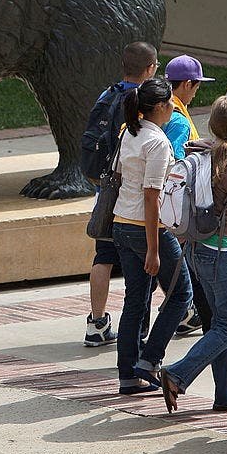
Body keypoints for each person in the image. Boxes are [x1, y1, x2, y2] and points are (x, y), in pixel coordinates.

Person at [159, 96, 227, 413]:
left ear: (211, 123)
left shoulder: (198, 153)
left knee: (219, 325)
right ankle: (178, 374)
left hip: (194, 248)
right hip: (221, 253)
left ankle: (226, 393)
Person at [162, 55, 227, 351]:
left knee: (213, 316)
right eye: (195, 86)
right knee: (226, 326)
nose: (196, 91)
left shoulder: (193, 139)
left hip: (192, 238)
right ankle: (177, 372)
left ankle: (226, 393)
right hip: (218, 245)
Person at [112, 78, 193, 395]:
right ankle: (150, 360)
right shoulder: (157, 142)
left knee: (135, 302)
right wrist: (153, 249)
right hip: (148, 228)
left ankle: (128, 375)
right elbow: (151, 195)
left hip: (121, 223)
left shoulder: (130, 132)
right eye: (171, 102)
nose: (175, 107)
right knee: (180, 294)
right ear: (160, 107)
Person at [85, 42, 158, 347]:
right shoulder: (143, 100)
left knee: (103, 258)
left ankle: (96, 323)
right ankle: (139, 328)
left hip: (106, 191)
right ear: (151, 67)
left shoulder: (107, 94)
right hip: (131, 198)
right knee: (140, 265)